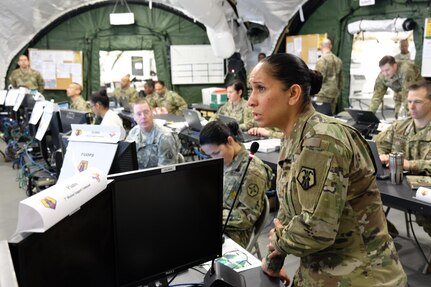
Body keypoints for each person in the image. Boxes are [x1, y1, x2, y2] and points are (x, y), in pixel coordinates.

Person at [248, 53, 407, 286]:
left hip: (360, 277)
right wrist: (272, 263)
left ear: (293, 93)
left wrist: (279, 239)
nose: (251, 100)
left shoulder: (322, 140)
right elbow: (290, 213)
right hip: (320, 273)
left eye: (260, 88)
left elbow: (316, 230)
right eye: (251, 89)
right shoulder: (294, 137)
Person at [199, 120, 272, 248]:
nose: (214, 159)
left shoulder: (252, 171)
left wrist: (211, 215)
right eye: (210, 155)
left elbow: (247, 217)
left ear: (230, 141)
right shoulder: (227, 161)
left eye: (216, 153)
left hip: (234, 232)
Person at [375, 79, 431, 236]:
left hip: (425, 192)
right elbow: (377, 144)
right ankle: (387, 233)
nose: (411, 107)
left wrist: (411, 165)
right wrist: (381, 155)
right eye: (409, 101)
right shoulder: (400, 126)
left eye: (418, 102)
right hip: (400, 187)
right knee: (361, 199)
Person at [126, 99, 181, 169]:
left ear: (152, 113)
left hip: (158, 177)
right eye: (139, 114)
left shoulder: (164, 136)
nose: (143, 117)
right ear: (134, 117)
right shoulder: (133, 133)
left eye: (146, 112)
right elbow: (127, 162)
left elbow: (166, 170)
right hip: (139, 176)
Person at [314, 38, 343, 114]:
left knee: (321, 118)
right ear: (330, 46)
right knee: (330, 118)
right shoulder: (338, 60)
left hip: (323, 95)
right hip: (334, 94)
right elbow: (341, 80)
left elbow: (318, 78)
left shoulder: (322, 60)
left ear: (321, 46)